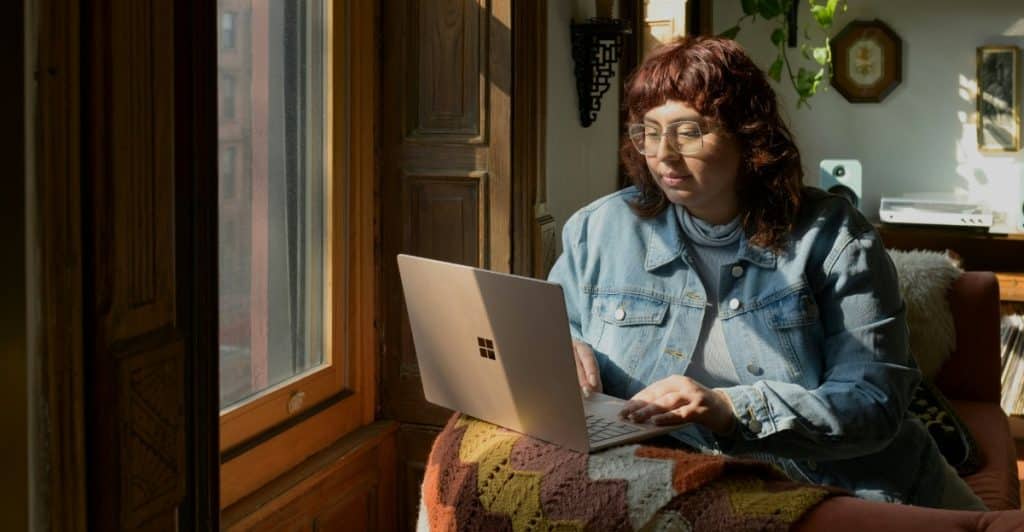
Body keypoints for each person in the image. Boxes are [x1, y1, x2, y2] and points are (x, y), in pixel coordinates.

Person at [546, 36, 986, 510]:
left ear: (747, 134)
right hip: (665, 479)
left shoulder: (835, 238)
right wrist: (562, 348)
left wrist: (732, 409)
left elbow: (872, 403)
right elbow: (557, 326)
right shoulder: (599, 229)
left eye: (688, 132)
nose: (663, 155)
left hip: (833, 486)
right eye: (648, 132)